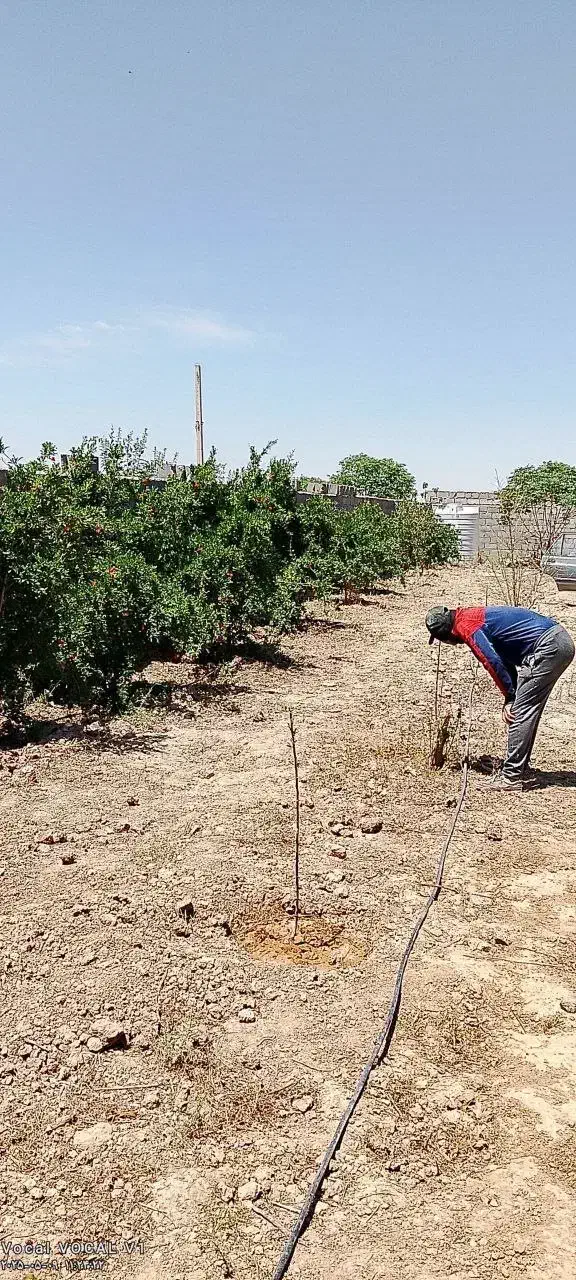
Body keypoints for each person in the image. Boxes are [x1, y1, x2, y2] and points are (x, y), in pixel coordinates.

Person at [425, 604, 575, 791]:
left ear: (447, 634)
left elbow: (492, 661)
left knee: (521, 711)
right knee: (527, 707)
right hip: (558, 641)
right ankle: (518, 767)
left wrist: (511, 697)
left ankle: (511, 777)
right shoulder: (471, 615)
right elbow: (503, 659)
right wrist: (510, 696)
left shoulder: (467, 627)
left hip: (549, 647)